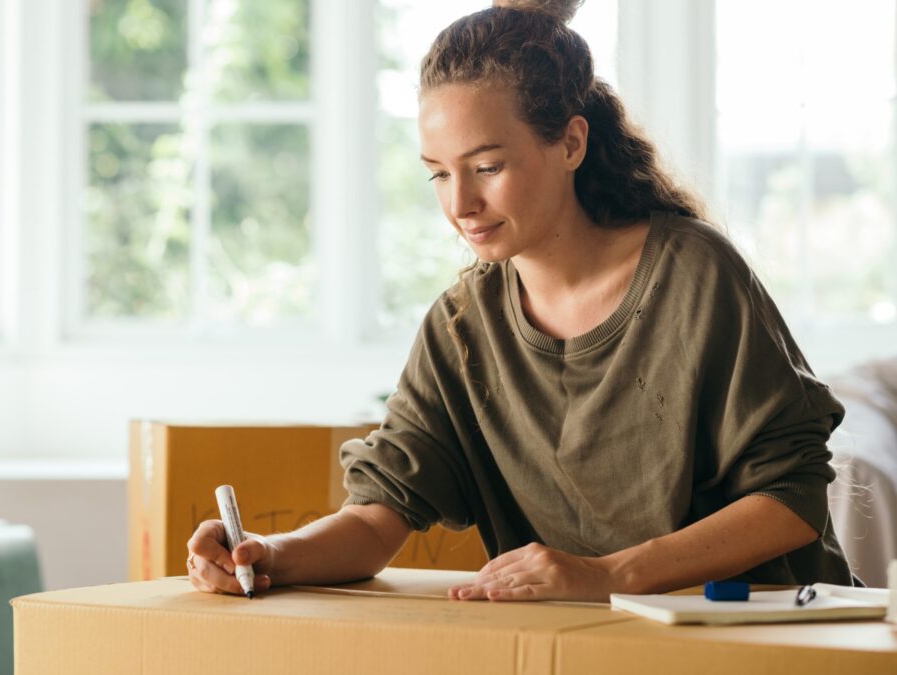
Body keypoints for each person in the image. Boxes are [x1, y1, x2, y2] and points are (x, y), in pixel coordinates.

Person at [186, 0, 856, 602]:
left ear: (570, 142)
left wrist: (608, 573)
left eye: (487, 167)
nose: (459, 205)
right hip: (594, 648)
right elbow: (375, 517)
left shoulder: (696, 274)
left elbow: (790, 498)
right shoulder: (461, 324)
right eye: (439, 174)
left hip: (772, 640)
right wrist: (267, 554)